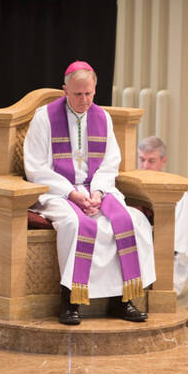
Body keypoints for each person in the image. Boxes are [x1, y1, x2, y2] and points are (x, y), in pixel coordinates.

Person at [23, 61, 155, 325]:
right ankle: (70, 301)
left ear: (95, 90)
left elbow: (109, 162)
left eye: (89, 94)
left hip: (97, 190)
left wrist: (97, 192)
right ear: (65, 90)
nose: (84, 100)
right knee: (74, 223)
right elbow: (35, 168)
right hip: (57, 191)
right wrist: (72, 194)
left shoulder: (102, 117)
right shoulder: (44, 117)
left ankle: (123, 300)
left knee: (132, 220)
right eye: (77, 94)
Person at [137, 136, 188, 296]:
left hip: (168, 259)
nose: (145, 166)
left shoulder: (176, 191)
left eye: (151, 161)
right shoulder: (131, 188)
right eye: (141, 160)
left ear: (163, 161)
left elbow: (178, 236)